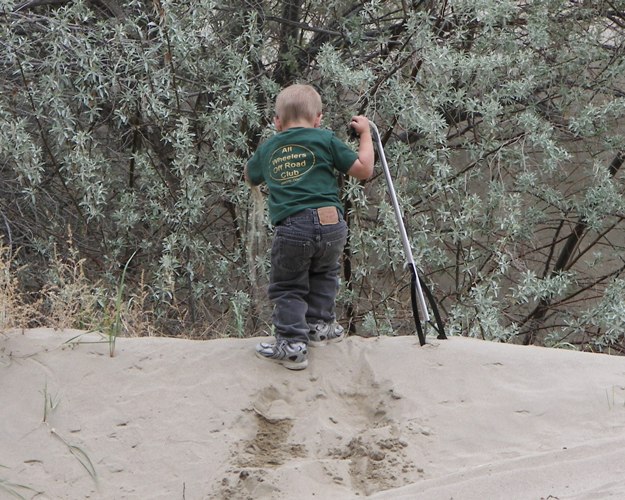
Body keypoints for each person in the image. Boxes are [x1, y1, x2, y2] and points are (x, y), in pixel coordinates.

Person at [245, 84, 374, 370]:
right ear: (318, 118)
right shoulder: (326, 139)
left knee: (289, 285)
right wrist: (365, 133)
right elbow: (364, 169)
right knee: (325, 272)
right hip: (332, 222)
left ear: (277, 122)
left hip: (293, 225)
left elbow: (250, 176)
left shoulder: (269, 147)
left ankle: (292, 344)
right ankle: (321, 326)